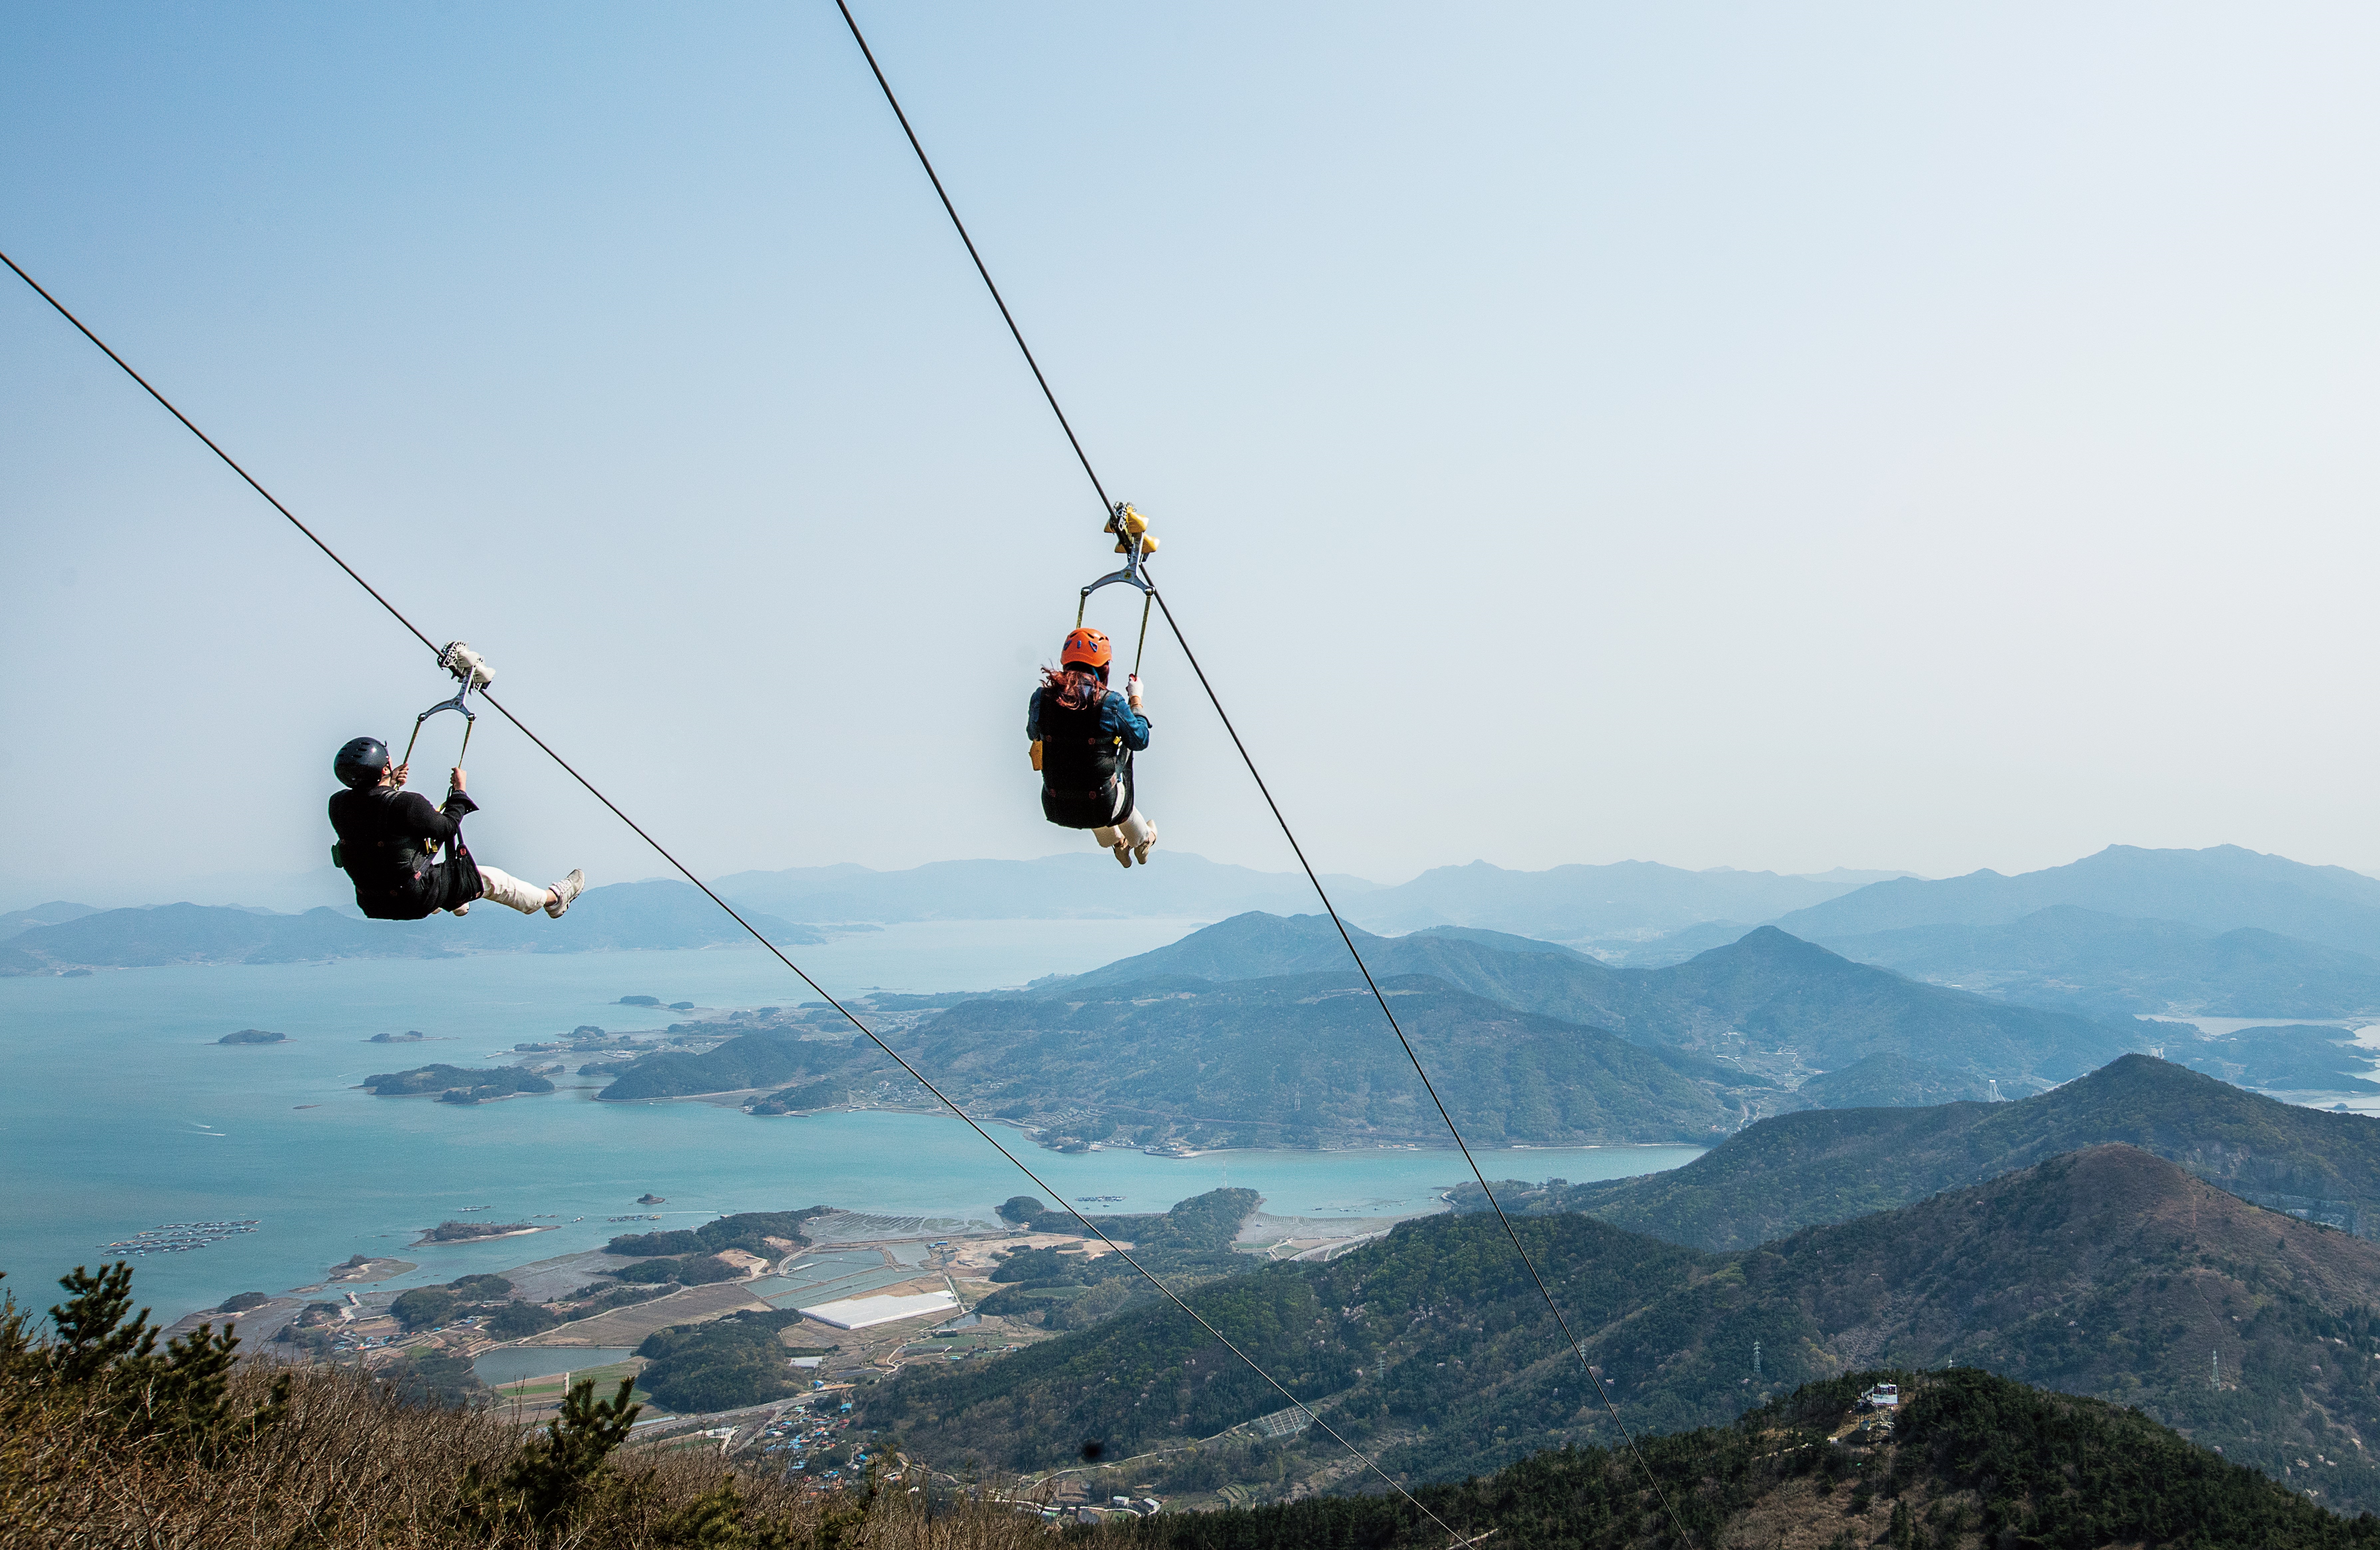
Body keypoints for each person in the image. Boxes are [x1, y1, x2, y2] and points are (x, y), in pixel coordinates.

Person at [328, 737, 586, 920]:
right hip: (413, 899)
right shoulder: (408, 804)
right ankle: (553, 901)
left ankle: (457, 901)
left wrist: (390, 783)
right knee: (491, 879)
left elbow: (375, 819)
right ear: (385, 768)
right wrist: (460, 793)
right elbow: (447, 828)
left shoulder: (337, 805)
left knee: (412, 856)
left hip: (375, 903)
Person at [1029, 627, 1157, 867]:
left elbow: (1033, 733)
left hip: (1056, 804)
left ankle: (1118, 843)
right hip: (1102, 805)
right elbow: (1141, 740)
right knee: (1110, 768)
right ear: (1104, 667)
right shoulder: (1111, 702)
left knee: (1085, 776)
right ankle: (1143, 841)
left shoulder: (1041, 698)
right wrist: (1136, 700)